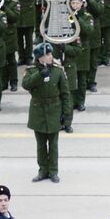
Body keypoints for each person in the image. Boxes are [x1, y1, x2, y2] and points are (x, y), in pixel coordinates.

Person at [22, 42, 72, 183]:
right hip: (38, 111)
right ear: (40, 58)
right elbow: (26, 84)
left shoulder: (58, 70)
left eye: (50, 54)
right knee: (41, 145)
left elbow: (65, 93)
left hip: (54, 109)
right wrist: (39, 75)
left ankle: (53, 171)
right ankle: (43, 170)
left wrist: (66, 114)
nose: (51, 57)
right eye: (47, 55)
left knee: (54, 145)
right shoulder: (32, 70)